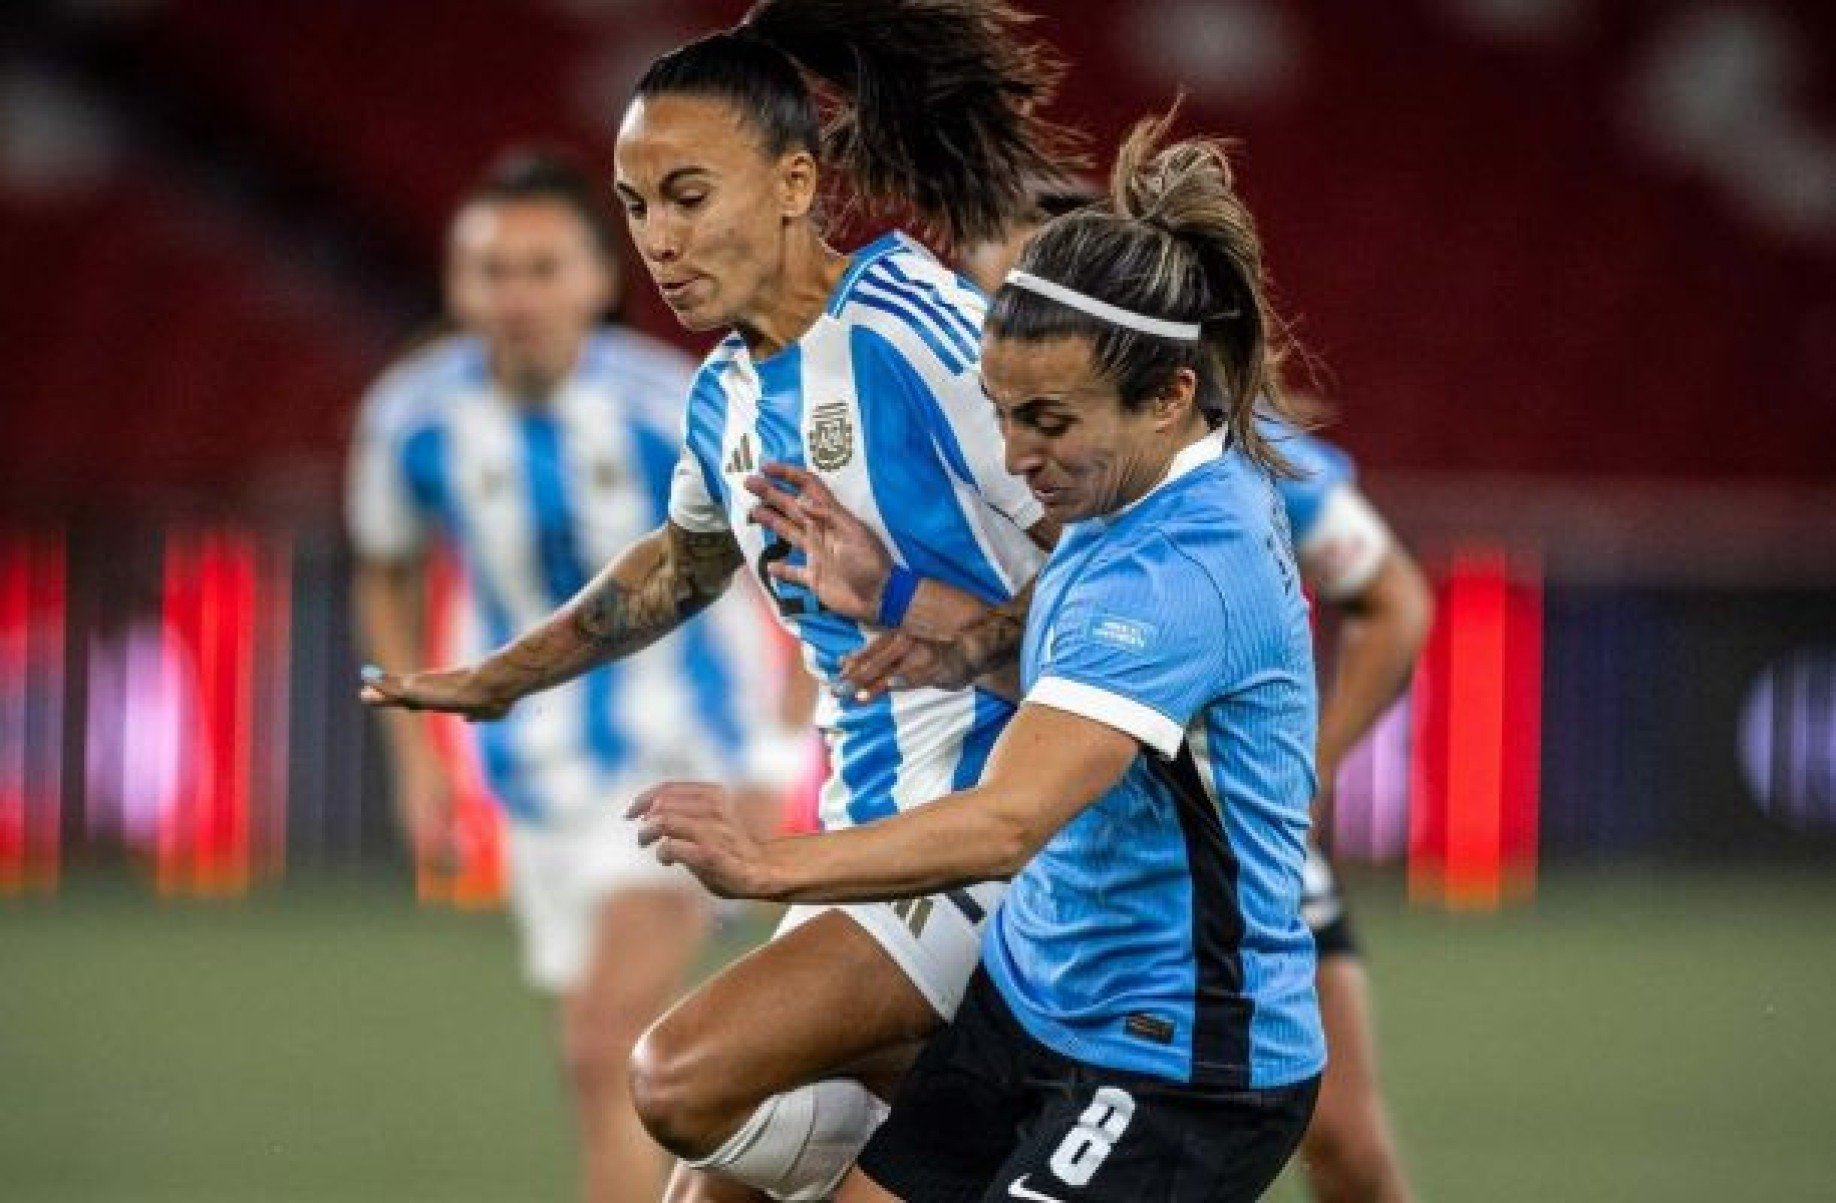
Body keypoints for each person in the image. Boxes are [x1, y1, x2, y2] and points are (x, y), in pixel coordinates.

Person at [359, 3, 1079, 1199]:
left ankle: (1021, 1094)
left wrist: (940, 622)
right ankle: (987, 1117)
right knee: (700, 1193)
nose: (659, 239)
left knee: (676, 1077)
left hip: (995, 851)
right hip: (863, 850)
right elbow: (679, 566)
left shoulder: (919, 335)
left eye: (689, 195)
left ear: (797, 181)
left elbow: (1104, 564)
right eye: (639, 208)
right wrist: (496, 681)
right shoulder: (725, 394)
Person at [635, 112, 1327, 1201]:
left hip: (1174, 1062)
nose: (1014, 455)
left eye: (1046, 420)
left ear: (1168, 395)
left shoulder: (1183, 571)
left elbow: (1008, 821)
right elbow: (1045, 686)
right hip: (1031, 1001)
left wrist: (768, 863)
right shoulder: (1119, 497)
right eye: (1005, 414)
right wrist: (896, 594)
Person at [955, 186, 1431, 1203]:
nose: (1003, 306)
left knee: (1340, 1135)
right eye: (987, 292)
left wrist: (1306, 777)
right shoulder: (994, 434)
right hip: (1080, 845)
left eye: (1021, 282)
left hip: (1223, 834)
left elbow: (1394, 603)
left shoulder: (1246, 450)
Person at [347, 150, 792, 1203]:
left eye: (543, 268)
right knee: (606, 1062)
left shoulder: (667, 406)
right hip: (533, 782)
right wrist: (415, 762)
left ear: (601, 278)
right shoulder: (410, 418)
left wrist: (781, 747)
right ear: (456, 286)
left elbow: (787, 570)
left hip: (687, 756)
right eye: (490, 270)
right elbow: (385, 568)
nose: (516, 296)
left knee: (607, 1043)